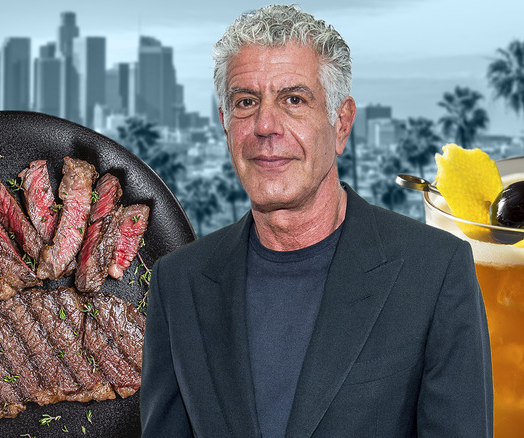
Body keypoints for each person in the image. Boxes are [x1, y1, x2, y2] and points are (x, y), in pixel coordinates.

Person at [140, 5, 493, 437]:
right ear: (225, 126)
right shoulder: (178, 282)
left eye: (294, 100)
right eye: (245, 102)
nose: (265, 125)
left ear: (341, 123)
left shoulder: (435, 271)